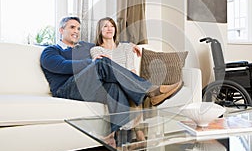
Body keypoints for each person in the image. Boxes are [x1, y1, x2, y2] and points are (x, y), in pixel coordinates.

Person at [40, 16, 181, 133]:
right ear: (61, 30)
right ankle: (151, 91)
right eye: (72, 27)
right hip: (65, 90)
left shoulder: (83, 46)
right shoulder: (51, 50)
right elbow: (61, 66)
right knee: (101, 62)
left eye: (78, 28)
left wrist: (129, 44)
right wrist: (90, 62)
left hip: (85, 88)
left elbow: (107, 41)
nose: (76, 31)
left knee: (113, 87)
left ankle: (118, 136)